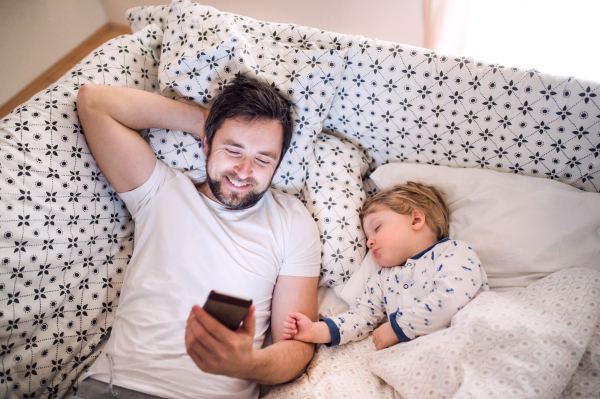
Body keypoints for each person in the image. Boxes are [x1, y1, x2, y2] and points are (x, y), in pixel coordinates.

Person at [72, 75, 322, 399]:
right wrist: (205, 120)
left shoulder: (293, 222)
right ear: (206, 143)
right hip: (117, 388)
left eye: (263, 159)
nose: (244, 171)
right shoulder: (160, 190)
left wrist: (247, 364)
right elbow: (93, 102)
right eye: (233, 150)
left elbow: (298, 347)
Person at [283, 182, 489, 351]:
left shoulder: (453, 252)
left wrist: (398, 328)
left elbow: (451, 299)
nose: (369, 242)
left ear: (416, 219)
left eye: (377, 228)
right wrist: (315, 331)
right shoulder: (383, 278)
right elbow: (361, 317)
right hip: (421, 355)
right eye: (367, 236)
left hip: (468, 340)